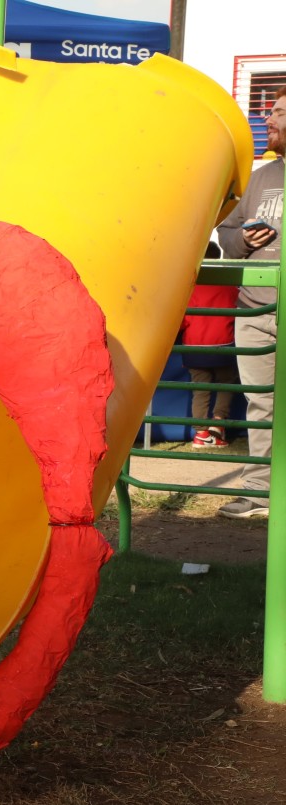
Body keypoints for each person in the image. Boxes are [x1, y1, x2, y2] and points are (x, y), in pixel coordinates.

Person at [215, 86, 284, 518]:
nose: (268, 119)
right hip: (254, 307)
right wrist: (241, 239)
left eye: (277, 112)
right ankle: (260, 491)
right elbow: (225, 234)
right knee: (261, 400)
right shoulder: (261, 175)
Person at [180, 242, 238, 448]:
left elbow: (182, 320)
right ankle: (218, 424)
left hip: (194, 346)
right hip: (223, 344)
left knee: (200, 390)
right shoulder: (229, 286)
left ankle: (201, 434)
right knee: (226, 384)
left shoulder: (189, 287)